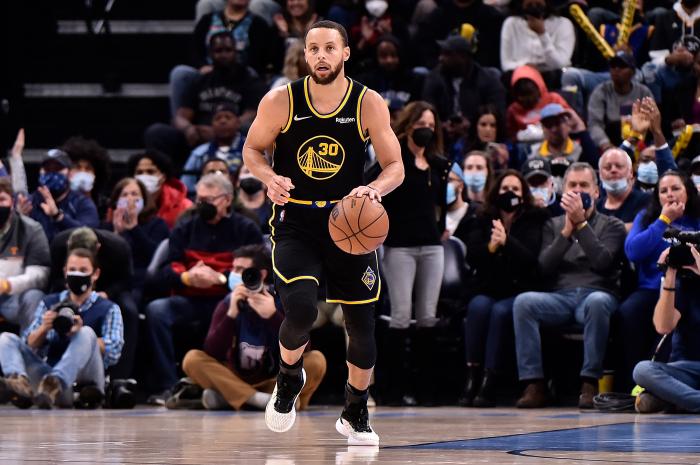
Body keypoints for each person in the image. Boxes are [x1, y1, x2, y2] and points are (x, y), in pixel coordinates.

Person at [242, 20, 403, 445]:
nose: (321, 56)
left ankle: (355, 410)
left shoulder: (368, 102)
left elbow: (395, 167)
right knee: (300, 311)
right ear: (305, 54)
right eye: (313, 49)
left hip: (349, 223)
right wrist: (268, 177)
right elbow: (252, 149)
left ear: (345, 53)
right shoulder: (281, 100)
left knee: (362, 325)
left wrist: (373, 188)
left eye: (329, 48)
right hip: (296, 223)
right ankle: (288, 376)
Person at [513, 162, 627, 409]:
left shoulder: (613, 225)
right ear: (563, 191)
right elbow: (544, 267)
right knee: (524, 302)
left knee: (597, 302)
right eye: (572, 186)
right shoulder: (552, 225)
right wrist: (566, 231)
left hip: (597, 293)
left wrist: (582, 226)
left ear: (596, 191)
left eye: (584, 185)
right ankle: (534, 385)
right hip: (560, 298)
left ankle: (589, 382)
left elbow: (603, 263)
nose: (577, 191)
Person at [145, 174, 262, 403]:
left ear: (226, 200)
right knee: (156, 311)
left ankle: (233, 383)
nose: (202, 205)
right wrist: (188, 277)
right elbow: (167, 269)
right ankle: (168, 385)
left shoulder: (246, 228)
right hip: (190, 298)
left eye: (209, 200)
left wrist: (219, 278)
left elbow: (255, 272)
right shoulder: (184, 228)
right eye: (199, 199)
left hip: (228, 300)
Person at [174, 244, 327, 410]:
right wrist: (231, 314)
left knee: (316, 360)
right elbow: (212, 352)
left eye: (241, 270)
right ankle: (262, 400)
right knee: (192, 359)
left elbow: (304, 350)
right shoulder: (228, 302)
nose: (234, 274)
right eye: (234, 268)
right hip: (233, 377)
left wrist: (273, 316)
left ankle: (232, 398)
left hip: (274, 380)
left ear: (261, 274)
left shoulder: (281, 301)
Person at [457, 170, 548, 407]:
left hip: (519, 290)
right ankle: (471, 377)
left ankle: (490, 381)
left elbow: (531, 259)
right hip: (489, 287)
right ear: (496, 192)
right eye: (505, 188)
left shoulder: (534, 218)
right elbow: (472, 255)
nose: (510, 193)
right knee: (478, 307)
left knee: (499, 312)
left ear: (524, 194)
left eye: (516, 189)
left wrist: (507, 243)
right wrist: (491, 247)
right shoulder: (482, 217)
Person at [379, 101, 449, 406]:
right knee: (400, 316)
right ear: (408, 126)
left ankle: (427, 390)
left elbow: (441, 204)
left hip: (432, 246)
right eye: (421, 124)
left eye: (431, 126)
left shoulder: (438, 163)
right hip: (400, 246)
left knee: (428, 318)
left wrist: (442, 228)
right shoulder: (393, 161)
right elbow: (371, 184)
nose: (427, 130)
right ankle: (392, 390)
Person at [0, 248, 124, 409]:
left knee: (86, 333)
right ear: (65, 272)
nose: (77, 274)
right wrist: (44, 328)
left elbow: (114, 351)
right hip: (48, 382)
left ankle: (55, 382)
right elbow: (29, 344)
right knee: (6, 338)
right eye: (72, 269)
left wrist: (80, 336)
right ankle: (19, 385)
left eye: (83, 270)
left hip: (86, 383)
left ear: (95, 274)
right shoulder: (50, 303)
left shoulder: (108, 308)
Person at [620, 172, 700, 393]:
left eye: (675, 188)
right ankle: (634, 385)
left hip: (692, 286)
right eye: (663, 191)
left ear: (688, 191)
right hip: (654, 287)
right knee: (628, 311)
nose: (670, 194)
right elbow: (633, 251)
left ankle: (667, 387)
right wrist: (663, 220)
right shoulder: (647, 217)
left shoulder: (697, 217)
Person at [146, 32, 267, 165]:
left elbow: (252, 114)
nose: (224, 55)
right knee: (157, 133)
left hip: (234, 134)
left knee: (250, 129)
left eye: (228, 50)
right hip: (199, 136)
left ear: (236, 52)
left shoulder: (249, 80)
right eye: (218, 51)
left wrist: (222, 129)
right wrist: (188, 128)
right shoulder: (200, 81)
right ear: (210, 54)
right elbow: (181, 116)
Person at [48, 227, 135, 380]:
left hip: (109, 287)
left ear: (98, 248)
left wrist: (107, 293)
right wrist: (70, 289)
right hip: (69, 288)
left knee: (129, 310)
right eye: (74, 267)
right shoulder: (59, 244)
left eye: (82, 266)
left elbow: (127, 279)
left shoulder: (118, 247)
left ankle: (120, 378)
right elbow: (54, 278)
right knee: (50, 303)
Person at [632, 240, 700, 413]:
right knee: (643, 370)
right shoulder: (685, 283)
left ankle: (673, 400)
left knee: (650, 399)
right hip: (687, 370)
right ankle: (687, 400)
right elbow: (663, 327)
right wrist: (669, 275)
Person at [422, 35, 506, 130]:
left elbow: (498, 114)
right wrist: (441, 125)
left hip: (477, 134)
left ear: (463, 57)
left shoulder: (488, 80)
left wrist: (472, 125)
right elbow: (427, 110)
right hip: (441, 133)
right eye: (441, 53)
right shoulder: (434, 78)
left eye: (447, 54)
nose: (440, 58)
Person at [102, 178, 170, 294]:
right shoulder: (107, 226)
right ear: (116, 201)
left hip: (141, 283)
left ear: (144, 198)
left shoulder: (157, 224)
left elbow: (155, 257)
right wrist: (117, 234)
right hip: (113, 282)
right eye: (124, 195)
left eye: (134, 194)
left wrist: (134, 229)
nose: (130, 199)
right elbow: (103, 260)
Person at [0, 178, 50, 333]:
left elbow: (40, 276)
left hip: (13, 298)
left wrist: (7, 285)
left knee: (34, 296)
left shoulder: (31, 230)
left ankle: (29, 345)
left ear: (12, 201)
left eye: (1, 199)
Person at [18, 149, 99, 244]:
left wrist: (58, 216)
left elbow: (90, 234)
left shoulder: (82, 202)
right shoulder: (29, 202)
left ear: (70, 174)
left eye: (57, 169)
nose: (52, 173)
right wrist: (19, 218)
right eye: (47, 169)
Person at [587, 52, 654, 151]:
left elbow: (652, 122)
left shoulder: (643, 92)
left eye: (622, 66)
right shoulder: (601, 91)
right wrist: (605, 144)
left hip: (640, 143)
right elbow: (594, 124)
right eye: (613, 66)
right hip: (610, 144)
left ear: (633, 72)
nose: (616, 69)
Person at [181, 102, 245, 196]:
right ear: (211, 124)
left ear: (238, 123)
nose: (223, 121)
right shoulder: (199, 153)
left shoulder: (252, 149)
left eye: (228, 117)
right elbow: (186, 185)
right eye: (217, 118)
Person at [499, 0, 574, 77]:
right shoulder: (511, 23)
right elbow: (506, 65)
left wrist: (542, 34)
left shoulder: (563, 24)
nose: (534, 5)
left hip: (554, 75)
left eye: (538, 3)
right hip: (522, 76)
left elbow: (560, 64)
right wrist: (525, 67)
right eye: (530, 3)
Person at [126, 151, 193, 229]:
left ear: (163, 177)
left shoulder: (184, 206)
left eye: (150, 172)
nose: (144, 176)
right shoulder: (124, 204)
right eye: (139, 172)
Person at [61, 136, 111, 218]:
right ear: (67, 171)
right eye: (78, 167)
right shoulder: (57, 203)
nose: (83, 172)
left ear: (95, 175)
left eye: (88, 168)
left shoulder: (104, 206)